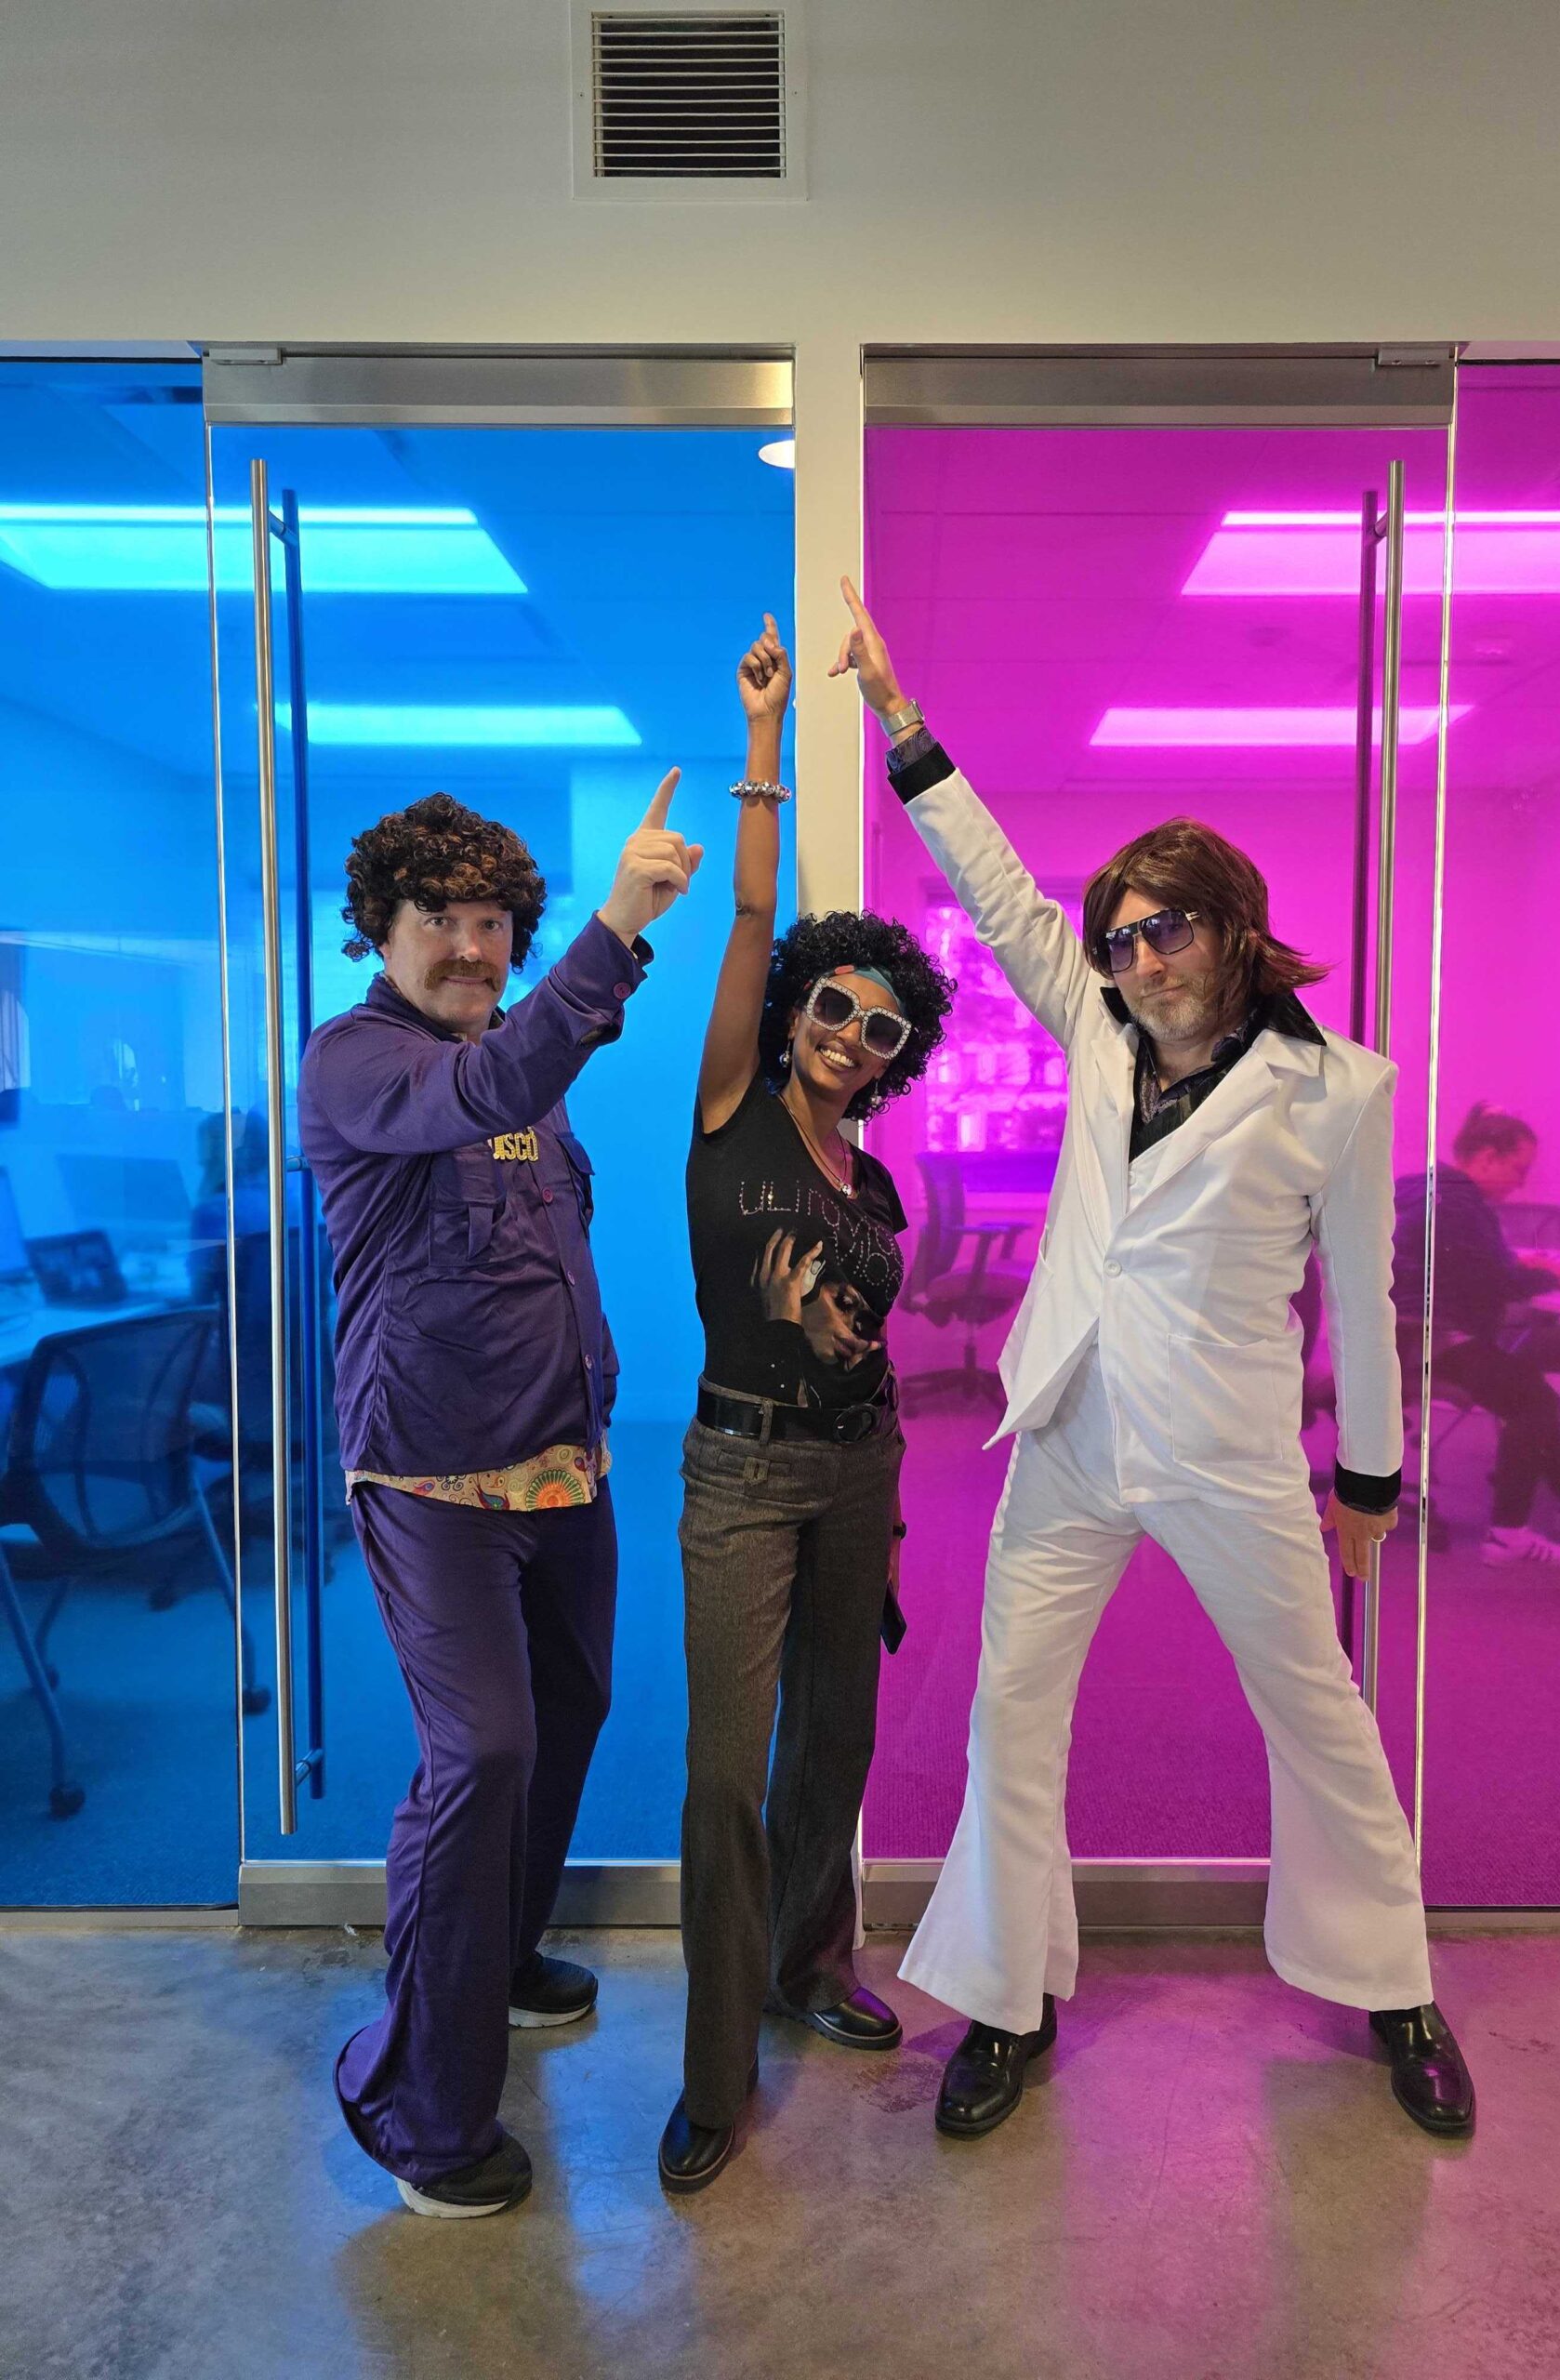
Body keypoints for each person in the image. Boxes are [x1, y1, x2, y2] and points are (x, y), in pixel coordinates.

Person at [830, 576, 1474, 2143]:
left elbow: (1365, 1298)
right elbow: (1002, 900)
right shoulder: (1100, 1032)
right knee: (1009, 1716)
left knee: (1316, 1711)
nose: (1134, 959)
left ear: (1233, 928)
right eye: (1118, 938)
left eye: (1163, 929)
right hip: (1067, 1428)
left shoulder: (1340, 1088)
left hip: (1228, 1450)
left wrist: (1369, 1477)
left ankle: (1396, 1989)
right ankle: (1008, 2001)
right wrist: (902, 722)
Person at [298, 778, 697, 2218]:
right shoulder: (358, 1060)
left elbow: (530, 1101)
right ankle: (419, 2109)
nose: (472, 947)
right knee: (479, 1757)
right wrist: (619, 924)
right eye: (440, 920)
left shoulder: (514, 1059)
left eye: (492, 925)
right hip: (432, 1481)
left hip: (563, 1468)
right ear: (379, 928)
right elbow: (495, 1085)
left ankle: (504, 1957)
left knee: (567, 1717)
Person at [658, 615, 955, 2195]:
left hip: (859, 1475)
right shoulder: (732, 1112)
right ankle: (716, 2076)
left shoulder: (879, 1182)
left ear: (899, 1058)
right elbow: (752, 912)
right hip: (742, 1470)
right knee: (727, 1771)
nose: (848, 1037)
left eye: (879, 1028)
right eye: (832, 1008)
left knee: (836, 1740)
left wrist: (889, 1522)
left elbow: (874, 1357)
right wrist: (766, 744)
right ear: (793, 1014)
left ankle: (807, 1964)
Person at [1395, 1102, 1560, 1567]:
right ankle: (1507, 1536)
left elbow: (1473, 1266)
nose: (1522, 1182)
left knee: (1528, 1387)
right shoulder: (1461, 1207)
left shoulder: (1422, 1187)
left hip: (1402, 1336)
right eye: (1519, 1169)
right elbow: (1502, 1284)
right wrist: (1552, 1275)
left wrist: (1520, 1265)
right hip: (1432, 1338)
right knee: (1533, 1400)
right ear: (1487, 1157)